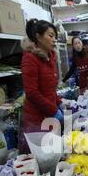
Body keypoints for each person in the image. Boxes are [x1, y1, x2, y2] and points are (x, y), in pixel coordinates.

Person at [19, 19, 62, 153]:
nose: (54, 39)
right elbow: (32, 93)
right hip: (37, 118)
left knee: (54, 154)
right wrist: (54, 110)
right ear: (38, 37)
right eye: (50, 35)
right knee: (43, 157)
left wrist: (59, 103)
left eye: (55, 36)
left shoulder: (51, 57)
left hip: (50, 115)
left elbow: (50, 88)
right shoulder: (30, 59)